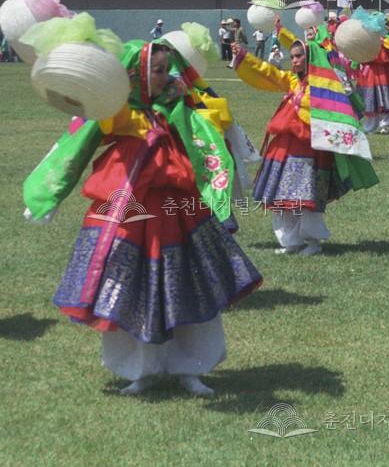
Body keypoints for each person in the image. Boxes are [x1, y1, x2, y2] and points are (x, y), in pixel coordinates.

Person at [23, 27, 262, 397]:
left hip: (177, 212)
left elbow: (209, 136)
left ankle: (191, 367)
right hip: (130, 215)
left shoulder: (176, 107)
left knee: (189, 285)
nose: (165, 76)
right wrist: (46, 196)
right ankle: (139, 369)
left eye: (167, 69)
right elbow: (76, 146)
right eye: (157, 70)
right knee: (130, 290)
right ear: (134, 74)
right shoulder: (118, 113)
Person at [232, 23, 378, 255]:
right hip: (284, 148)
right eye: (292, 56)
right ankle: (290, 241)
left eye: (299, 56)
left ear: (310, 58)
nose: (295, 60)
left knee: (304, 197)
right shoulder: (294, 81)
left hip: (310, 150)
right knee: (283, 197)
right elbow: (269, 73)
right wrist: (244, 57)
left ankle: (312, 242)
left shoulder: (325, 85)